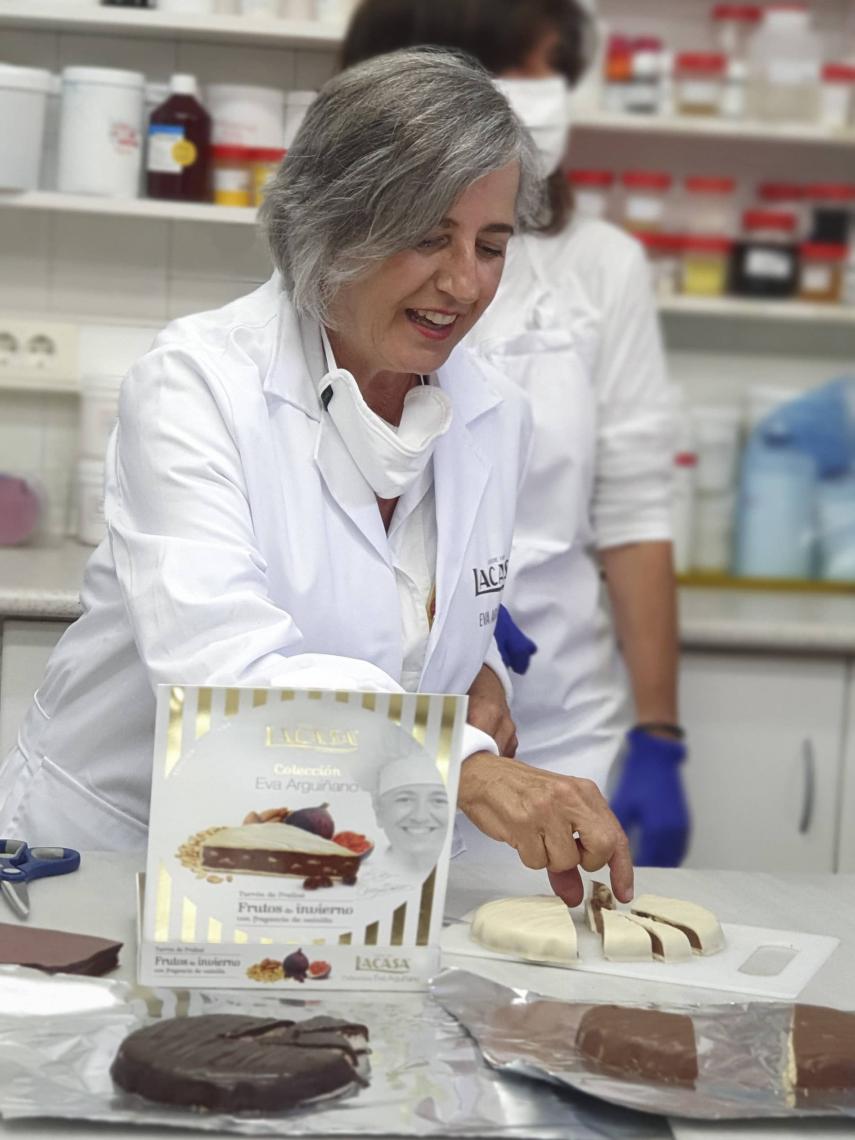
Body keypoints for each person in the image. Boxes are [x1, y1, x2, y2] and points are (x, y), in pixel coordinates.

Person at [0, 50, 632, 906]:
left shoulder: (493, 414)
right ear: (333, 226)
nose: (464, 282)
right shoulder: (199, 383)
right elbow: (220, 667)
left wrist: (478, 670)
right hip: (117, 854)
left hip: (334, 864)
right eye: (426, 238)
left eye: (490, 245)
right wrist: (462, 763)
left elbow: (422, 601)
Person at [342, 0, 690, 868]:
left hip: (561, 710)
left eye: (551, 74)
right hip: (378, 710)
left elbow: (636, 501)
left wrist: (659, 736)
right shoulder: (340, 262)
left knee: (548, 992)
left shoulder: (598, 263)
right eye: (515, 68)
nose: (538, 99)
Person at [372, 756, 450, 879]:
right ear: (379, 812)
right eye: (404, 800)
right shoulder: (353, 876)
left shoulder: (470, 881)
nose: (420, 817)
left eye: (438, 800)